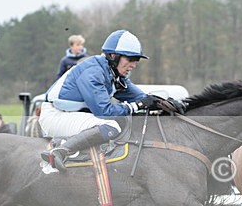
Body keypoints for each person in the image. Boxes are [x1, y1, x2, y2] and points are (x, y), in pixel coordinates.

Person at [39, 29, 175, 171]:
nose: (134, 65)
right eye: (130, 59)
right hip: (54, 116)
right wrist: (136, 106)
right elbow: (104, 111)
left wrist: (169, 103)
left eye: (136, 60)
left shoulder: (113, 74)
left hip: (69, 114)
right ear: (113, 56)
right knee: (112, 126)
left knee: (120, 121)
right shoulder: (93, 72)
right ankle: (60, 151)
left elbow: (143, 98)